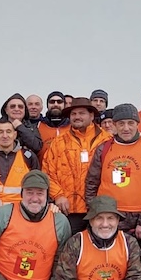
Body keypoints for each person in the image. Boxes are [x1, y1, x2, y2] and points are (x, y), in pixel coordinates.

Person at [84, 103, 141, 238]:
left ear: (137, 123)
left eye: (130, 123)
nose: (126, 128)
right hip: (108, 218)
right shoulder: (104, 149)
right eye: (121, 123)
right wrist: (96, 215)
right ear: (114, 125)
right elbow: (91, 184)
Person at [42, 96, 111, 233]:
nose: (77, 117)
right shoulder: (58, 142)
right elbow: (47, 171)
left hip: (100, 209)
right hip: (68, 210)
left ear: (91, 115)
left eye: (81, 113)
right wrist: (58, 196)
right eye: (73, 114)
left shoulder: (107, 141)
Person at [0, 114, 40, 209]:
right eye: (0, 132)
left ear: (15, 135)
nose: (5, 136)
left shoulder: (28, 157)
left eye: (8, 131)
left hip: (19, 213)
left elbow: (38, 186)